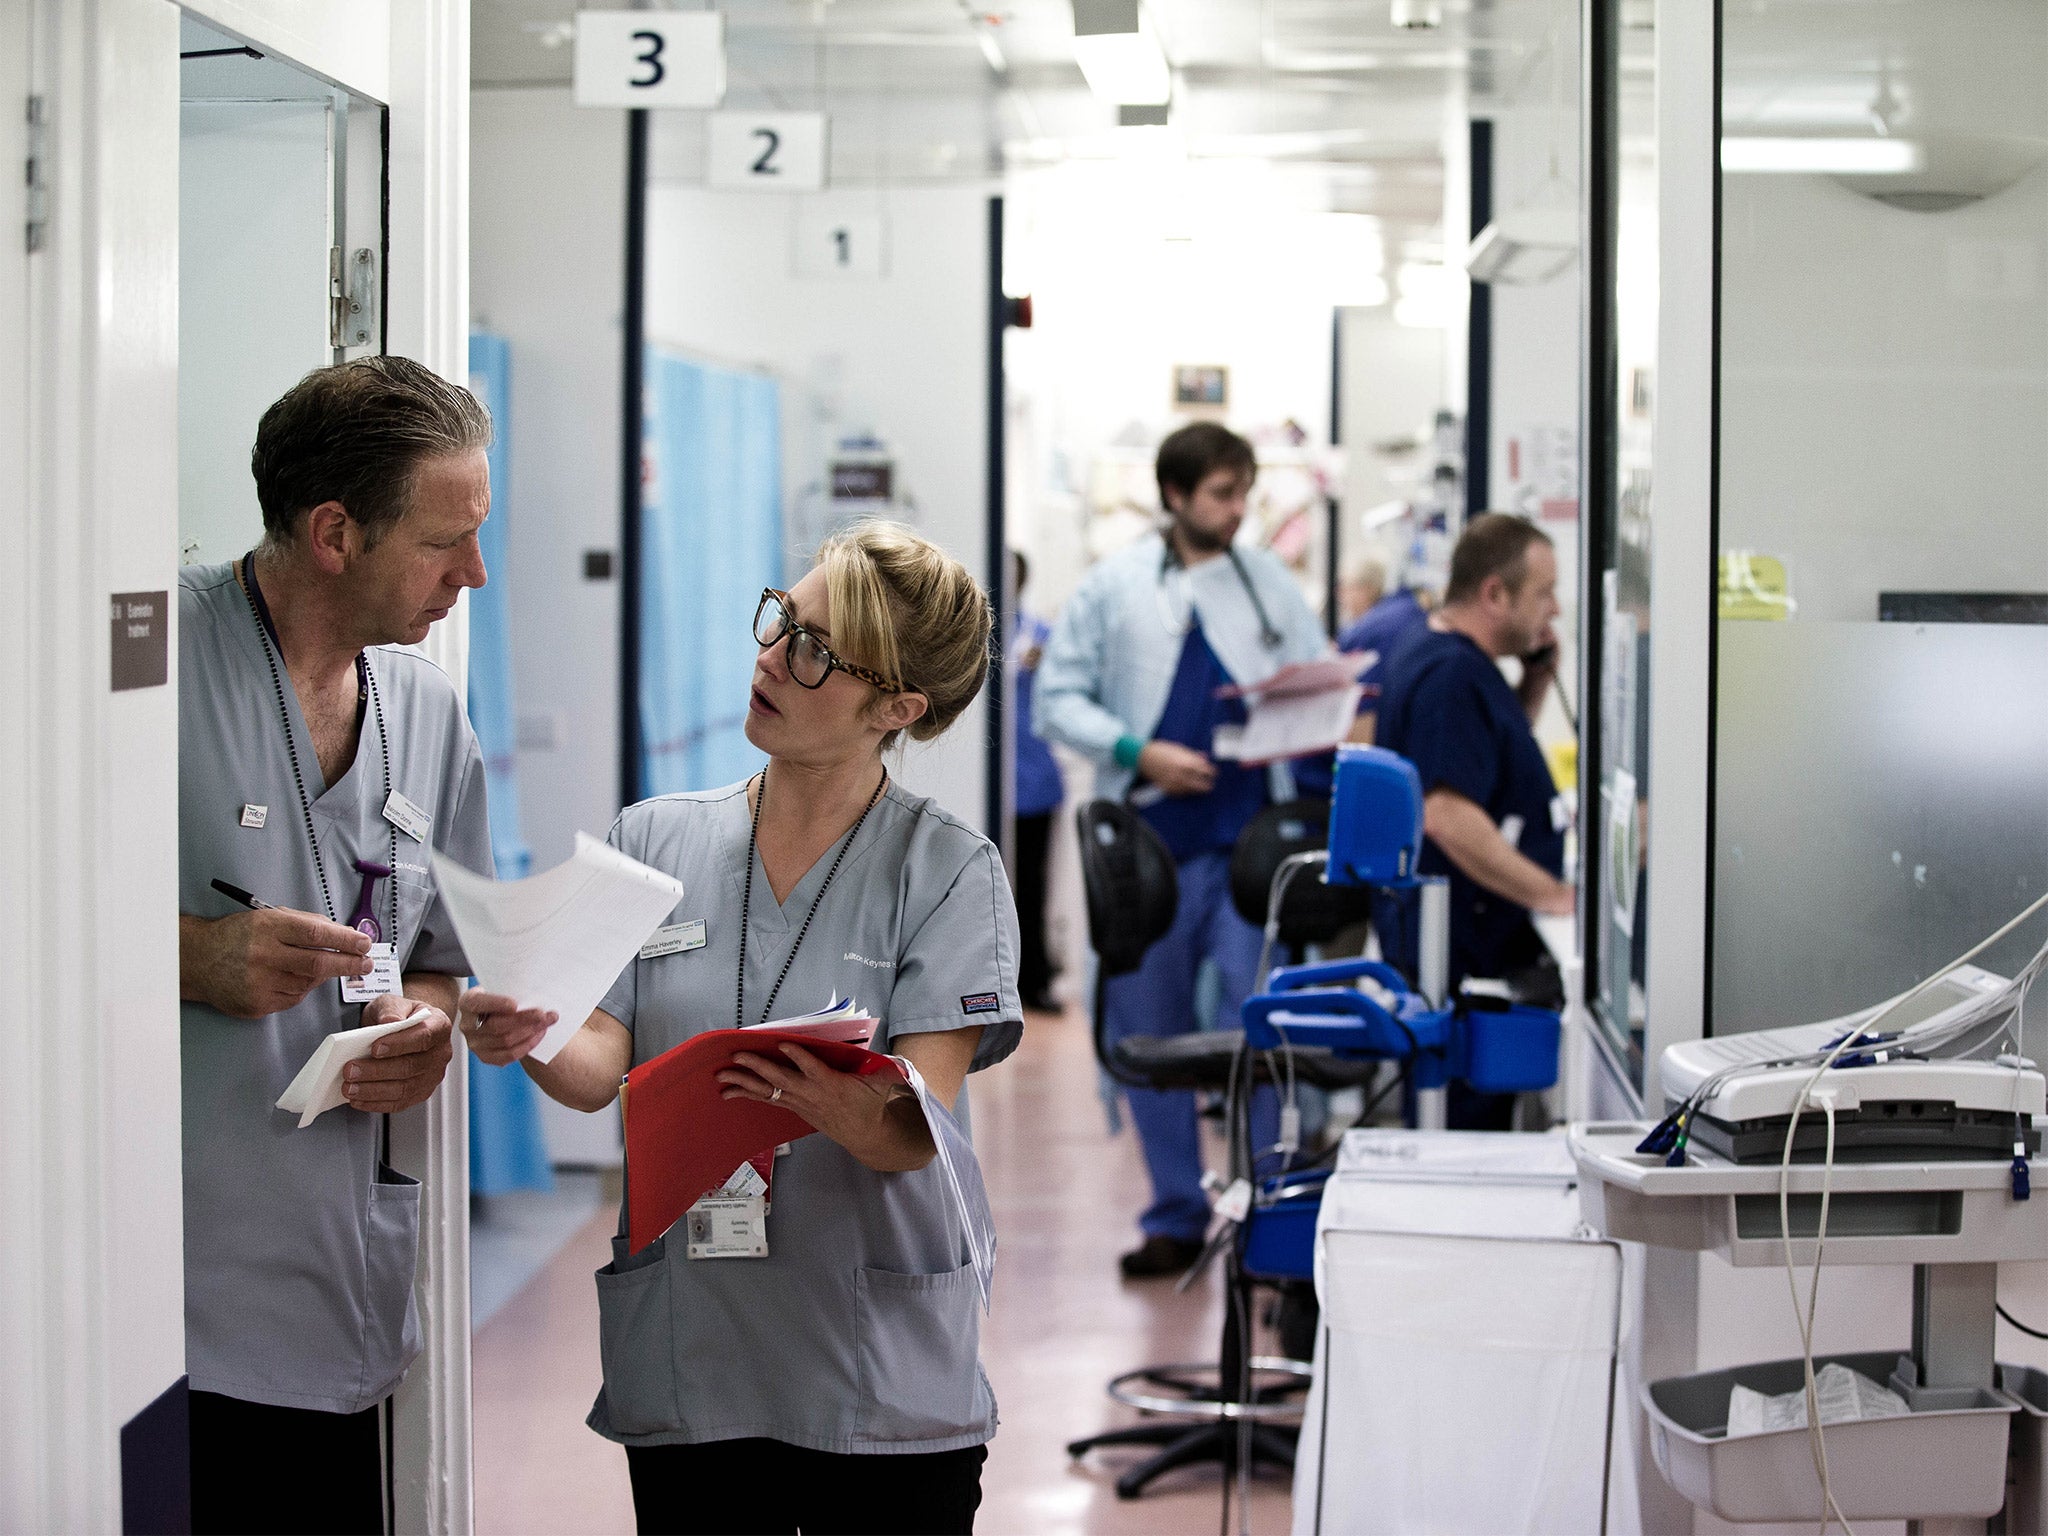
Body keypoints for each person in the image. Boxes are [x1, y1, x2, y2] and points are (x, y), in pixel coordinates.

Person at [462, 521, 1023, 1536]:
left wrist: (819, 1101)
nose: (772, 660)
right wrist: (529, 1031)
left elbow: (915, 1129)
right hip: (697, 1358)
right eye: (782, 622)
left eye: (816, 652)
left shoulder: (949, 873)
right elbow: (600, 1067)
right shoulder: (654, 837)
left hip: (874, 1373)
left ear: (895, 708)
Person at [176, 357, 495, 1534]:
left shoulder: (425, 712)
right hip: (163, 1305)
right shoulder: (141, 666)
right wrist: (195, 959)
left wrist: (427, 1018)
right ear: (332, 532)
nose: (471, 574)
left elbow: (442, 950)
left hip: (338, 1283)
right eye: (442, 542)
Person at [1036, 421, 1329, 1279]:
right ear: (1175, 496)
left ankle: (1269, 1215)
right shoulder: (1114, 588)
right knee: (1149, 1036)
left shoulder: (1268, 583)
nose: (1239, 511)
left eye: (1245, 493)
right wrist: (1137, 752)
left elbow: (1314, 678)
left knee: (1263, 1033)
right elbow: (1059, 697)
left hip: (1246, 851)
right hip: (1151, 853)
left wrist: (1303, 710)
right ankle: (1174, 1212)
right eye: (1222, 495)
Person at [1371, 513, 1575, 1116]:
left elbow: (1478, 766)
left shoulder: (1444, 657)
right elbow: (1448, 817)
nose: (1555, 611)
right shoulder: (1451, 676)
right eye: (1543, 594)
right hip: (1461, 955)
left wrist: (1534, 689)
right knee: (1462, 1133)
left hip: (1457, 945)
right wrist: (1553, 895)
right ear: (1495, 594)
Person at [1010, 550, 1065, 1012]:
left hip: (1033, 783)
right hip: (997, 782)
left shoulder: (1040, 636)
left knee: (1031, 886)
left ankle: (1034, 980)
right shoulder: (971, 634)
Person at [1336, 550, 1433, 743]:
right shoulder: (1409, 610)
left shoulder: (1368, 632)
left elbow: (1363, 722)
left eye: (1345, 588)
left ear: (1367, 589)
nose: (1340, 598)